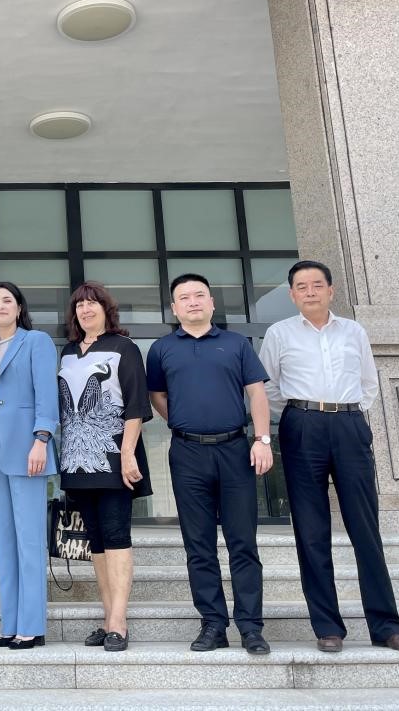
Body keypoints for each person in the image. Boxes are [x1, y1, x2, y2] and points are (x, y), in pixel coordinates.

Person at [258, 260, 399, 654]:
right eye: (301, 286)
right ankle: (328, 627)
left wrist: (347, 414)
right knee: (311, 531)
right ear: (291, 294)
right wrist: (300, 414)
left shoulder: (353, 331)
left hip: (349, 424)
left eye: (317, 284)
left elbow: (368, 383)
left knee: (365, 527)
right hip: (301, 425)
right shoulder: (279, 333)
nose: (310, 291)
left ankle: (387, 626)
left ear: (331, 290)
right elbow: (268, 389)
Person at [146, 273, 273, 656]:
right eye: (184, 297)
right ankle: (213, 624)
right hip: (187, 454)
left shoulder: (236, 344)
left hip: (235, 450)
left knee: (242, 543)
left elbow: (257, 394)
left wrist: (262, 439)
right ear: (174, 308)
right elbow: (157, 396)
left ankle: (250, 627)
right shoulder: (162, 349)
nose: (193, 301)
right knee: (198, 545)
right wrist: (183, 422)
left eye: (199, 295)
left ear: (212, 302)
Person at [56, 281, 153, 653]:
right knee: (95, 541)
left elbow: (136, 405)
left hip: (114, 457)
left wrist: (127, 453)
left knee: (116, 535)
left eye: (92, 303)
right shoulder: (67, 352)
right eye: (79, 305)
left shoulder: (124, 347)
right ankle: (107, 615)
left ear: (105, 309)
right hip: (77, 461)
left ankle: (119, 621)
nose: (85, 309)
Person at [0, 281, 59, 650]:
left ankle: (32, 626)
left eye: (7, 300)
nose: (1, 305)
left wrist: (42, 439)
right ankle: (10, 624)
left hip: (27, 446)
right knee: (4, 541)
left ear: (19, 308)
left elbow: (47, 393)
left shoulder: (36, 341)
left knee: (29, 539)